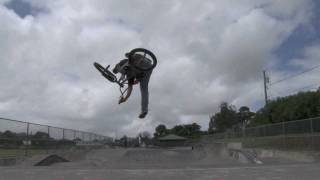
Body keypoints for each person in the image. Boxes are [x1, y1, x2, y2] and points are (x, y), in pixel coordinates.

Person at [112, 52, 153, 119]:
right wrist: (125, 99)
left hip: (141, 61)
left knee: (127, 60)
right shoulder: (129, 76)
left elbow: (123, 66)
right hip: (147, 68)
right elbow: (130, 88)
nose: (119, 71)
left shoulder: (123, 62)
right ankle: (144, 111)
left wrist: (123, 74)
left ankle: (130, 55)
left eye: (118, 70)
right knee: (144, 90)